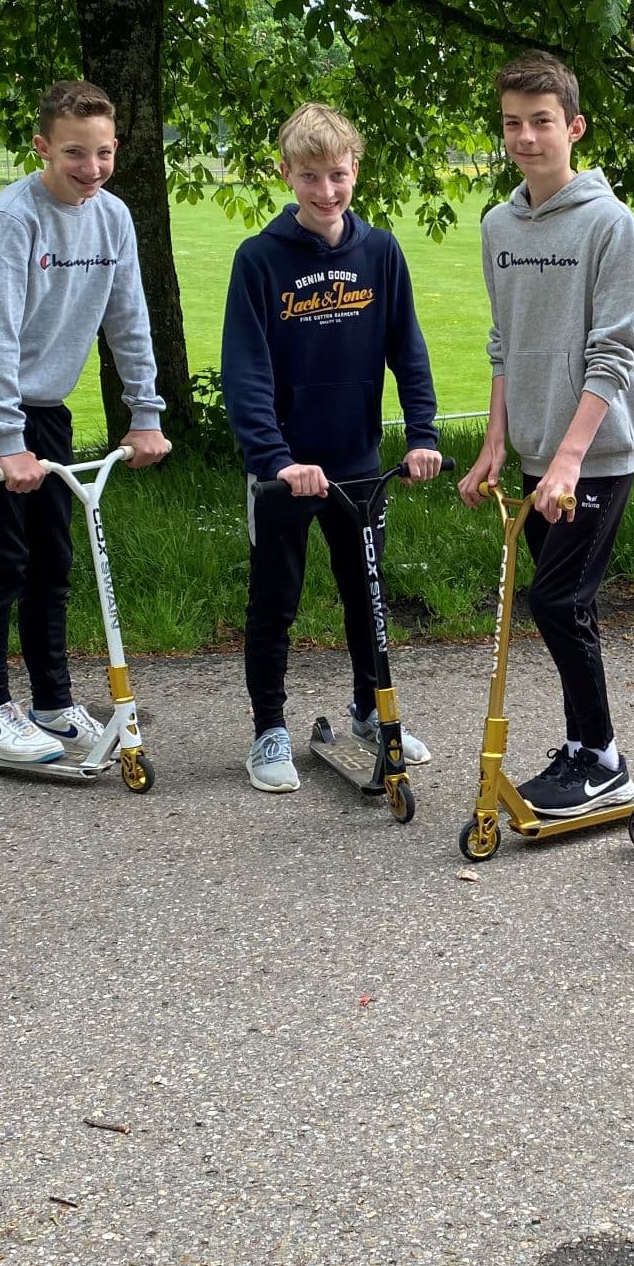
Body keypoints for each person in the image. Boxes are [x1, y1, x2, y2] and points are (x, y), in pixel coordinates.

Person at [0, 79, 170, 764]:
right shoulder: (15, 219)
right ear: (43, 147)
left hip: (47, 408)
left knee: (53, 560)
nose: (91, 169)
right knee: (2, 560)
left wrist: (145, 411)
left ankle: (50, 699)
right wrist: (7, 440)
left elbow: (128, 318)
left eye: (103, 153)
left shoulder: (114, 217)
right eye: (74, 153)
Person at [223, 103, 442, 792]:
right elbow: (246, 370)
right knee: (276, 601)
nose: (325, 192)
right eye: (310, 177)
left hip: (356, 467)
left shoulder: (379, 252)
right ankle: (268, 731)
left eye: (338, 176)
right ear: (286, 173)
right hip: (284, 472)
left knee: (365, 595)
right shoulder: (259, 261)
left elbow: (407, 349)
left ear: (356, 170)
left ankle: (371, 712)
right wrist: (276, 459)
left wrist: (423, 434)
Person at [455, 50, 634, 818]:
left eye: (540, 122)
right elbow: (504, 343)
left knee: (557, 600)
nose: (525, 137)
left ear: (573, 127)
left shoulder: (609, 223)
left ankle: (602, 759)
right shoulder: (498, 223)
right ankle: (581, 747)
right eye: (512, 124)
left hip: (595, 454)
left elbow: (615, 352)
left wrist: (570, 458)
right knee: (572, 605)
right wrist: (496, 442)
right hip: (536, 452)